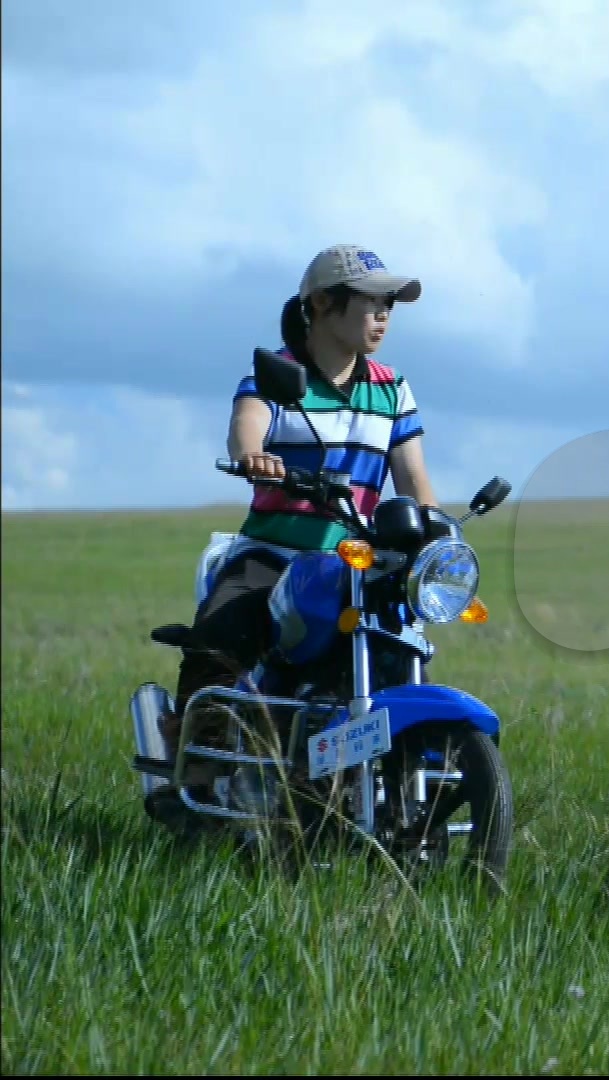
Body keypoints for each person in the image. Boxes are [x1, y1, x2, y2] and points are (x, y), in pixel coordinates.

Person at [146, 243, 439, 826]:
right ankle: (194, 774)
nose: (384, 314)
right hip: (275, 553)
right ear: (323, 304)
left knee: (405, 646)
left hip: (358, 561)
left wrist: (434, 526)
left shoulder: (392, 389)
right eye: (372, 301)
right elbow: (245, 429)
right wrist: (254, 456)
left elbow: (415, 480)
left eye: (390, 304)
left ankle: (406, 772)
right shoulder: (274, 378)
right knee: (224, 625)